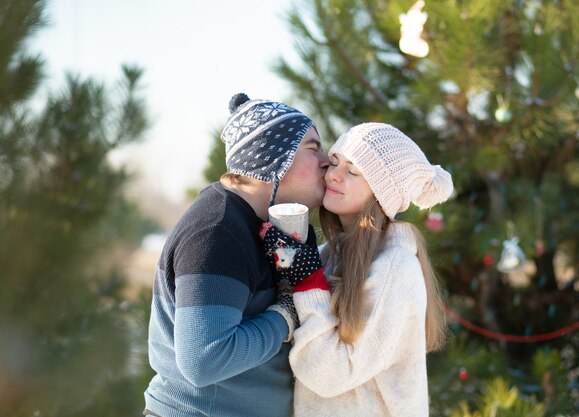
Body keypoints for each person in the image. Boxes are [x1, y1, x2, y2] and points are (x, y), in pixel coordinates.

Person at [143, 93, 329, 417]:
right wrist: (284, 317)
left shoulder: (261, 226)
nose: (327, 161)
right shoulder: (217, 232)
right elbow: (205, 359)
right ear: (272, 158)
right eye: (313, 149)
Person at [260, 122, 454, 416]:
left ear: (381, 193)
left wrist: (306, 282)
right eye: (335, 162)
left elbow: (329, 374)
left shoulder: (395, 270)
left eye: (352, 171)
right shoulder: (328, 255)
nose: (333, 174)